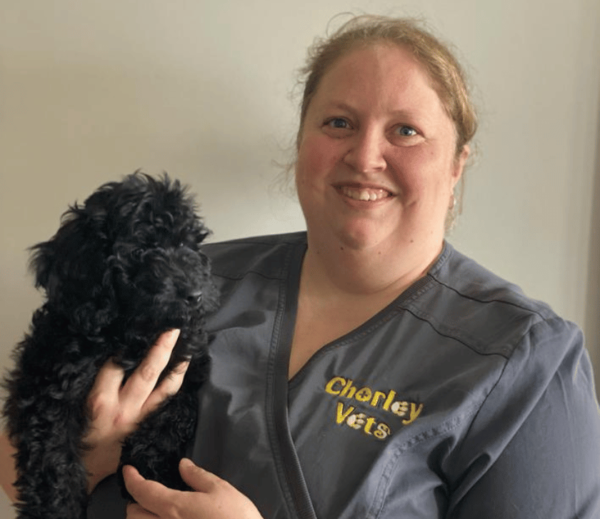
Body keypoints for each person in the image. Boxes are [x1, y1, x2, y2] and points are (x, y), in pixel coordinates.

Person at [2, 14, 600, 519]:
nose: (366, 156)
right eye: (338, 122)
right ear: (301, 142)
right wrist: (86, 457)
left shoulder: (526, 362)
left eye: (407, 131)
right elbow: (19, 447)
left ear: (457, 164)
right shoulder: (185, 280)